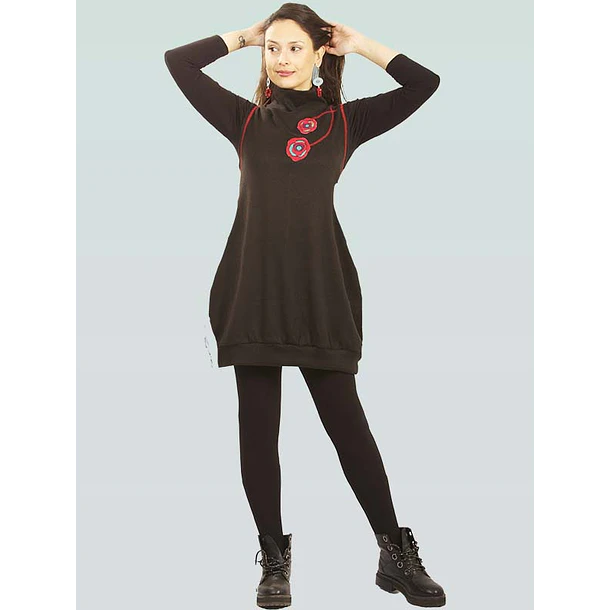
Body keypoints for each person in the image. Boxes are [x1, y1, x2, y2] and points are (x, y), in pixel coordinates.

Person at [164, 3, 444, 608]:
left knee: (348, 428)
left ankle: (394, 552)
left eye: (295, 48)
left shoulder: (345, 122)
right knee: (258, 429)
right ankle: (274, 559)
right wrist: (245, 36)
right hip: (254, 289)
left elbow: (425, 83)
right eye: (274, 48)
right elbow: (177, 62)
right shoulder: (245, 120)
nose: (282, 59)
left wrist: (360, 44)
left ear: (319, 54)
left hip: (319, 291)